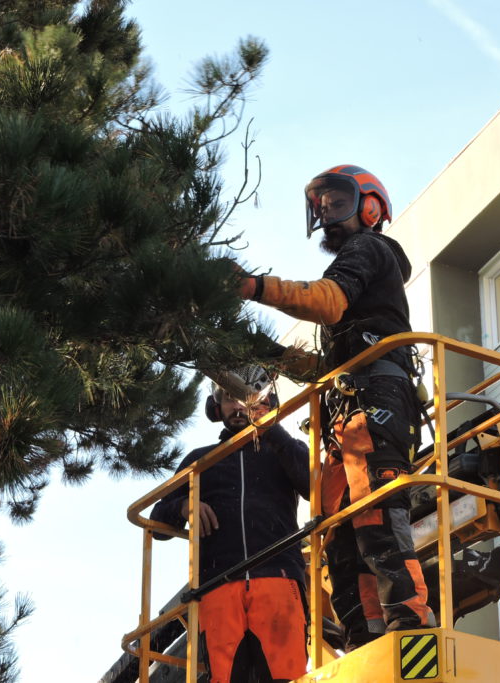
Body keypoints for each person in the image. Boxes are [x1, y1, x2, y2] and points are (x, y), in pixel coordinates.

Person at [237, 165, 434, 651]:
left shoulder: (368, 250)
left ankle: (409, 628)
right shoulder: (359, 279)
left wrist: (255, 288)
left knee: (377, 519)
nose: (326, 213)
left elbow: (326, 301)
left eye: (338, 201)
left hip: (376, 401)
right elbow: (322, 367)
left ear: (371, 208)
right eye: (319, 206)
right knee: (342, 542)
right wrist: (253, 346)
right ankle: (365, 643)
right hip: (346, 413)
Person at [150, 366, 311, 683]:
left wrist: (269, 426)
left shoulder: (284, 450)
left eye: (245, 399)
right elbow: (155, 522)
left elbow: (313, 484)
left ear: (265, 402)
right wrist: (184, 505)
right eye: (229, 398)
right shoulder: (200, 461)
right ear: (216, 405)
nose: (238, 406)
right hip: (217, 587)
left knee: (288, 677)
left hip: (278, 580)